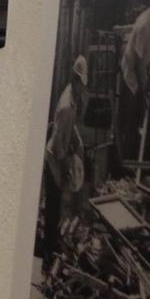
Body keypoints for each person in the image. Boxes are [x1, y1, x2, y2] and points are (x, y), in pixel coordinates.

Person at [42, 55, 87, 265]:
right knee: (53, 207)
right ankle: (48, 254)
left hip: (59, 156)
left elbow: (71, 129)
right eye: (81, 84)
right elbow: (59, 144)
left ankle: (52, 245)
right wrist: (69, 160)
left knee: (57, 204)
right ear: (75, 80)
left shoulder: (73, 101)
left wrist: (77, 141)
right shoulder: (66, 106)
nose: (82, 89)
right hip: (53, 160)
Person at [117, 0, 150, 173]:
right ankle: (124, 166)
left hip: (142, 71)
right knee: (129, 122)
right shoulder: (143, 24)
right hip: (130, 75)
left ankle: (135, 162)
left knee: (139, 122)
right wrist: (144, 90)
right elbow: (136, 64)